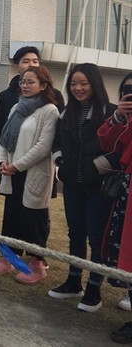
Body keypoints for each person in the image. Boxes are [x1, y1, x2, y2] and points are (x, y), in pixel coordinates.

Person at [49, 63, 117, 311]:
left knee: (97, 238)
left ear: (94, 84)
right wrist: (60, 162)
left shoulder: (111, 112)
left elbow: (118, 148)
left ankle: (94, 288)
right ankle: (73, 281)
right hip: (72, 185)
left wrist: (98, 166)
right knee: (75, 233)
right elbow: (56, 142)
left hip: (99, 187)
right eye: (74, 84)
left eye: (83, 83)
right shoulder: (66, 113)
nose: (78, 88)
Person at [0, 66, 59, 284]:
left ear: (43, 85)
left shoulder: (49, 111)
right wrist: (3, 161)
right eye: (22, 81)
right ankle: (9, 259)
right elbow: (6, 138)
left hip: (33, 173)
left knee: (33, 221)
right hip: (12, 172)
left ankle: (37, 265)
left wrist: (16, 165)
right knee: (12, 217)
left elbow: (44, 146)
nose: (25, 86)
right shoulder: (16, 108)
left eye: (30, 82)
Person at [97, 73, 132, 343]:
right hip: (128, 193)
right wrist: (119, 116)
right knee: (126, 253)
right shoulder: (125, 117)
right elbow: (110, 145)